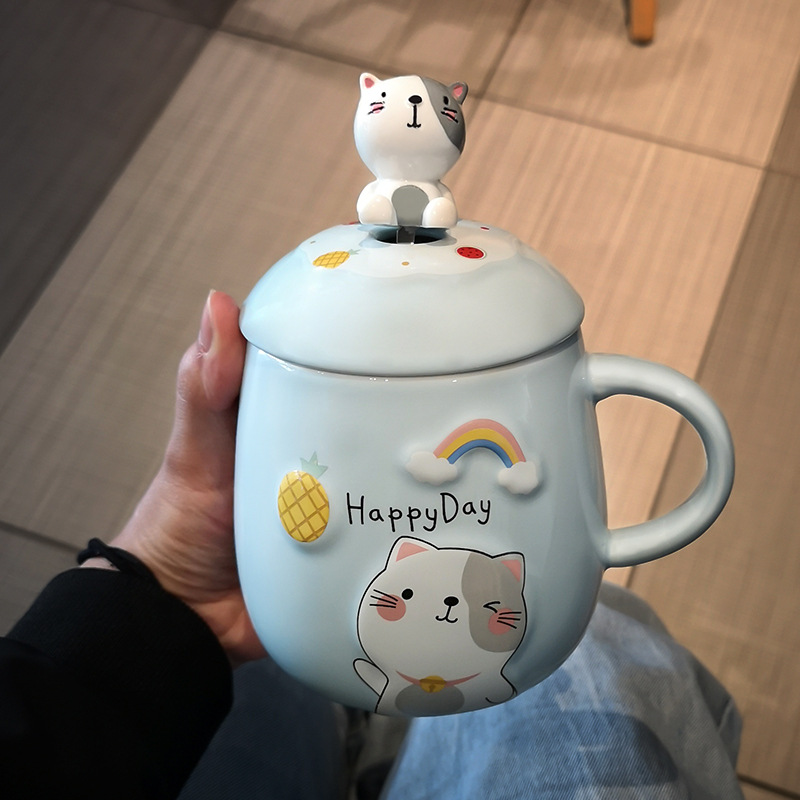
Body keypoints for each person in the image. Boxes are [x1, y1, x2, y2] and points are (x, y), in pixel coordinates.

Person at [1, 292, 745, 800]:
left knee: (291, 688)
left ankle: (363, 726)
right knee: (601, 644)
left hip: (107, 726)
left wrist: (162, 592)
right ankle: (375, 731)